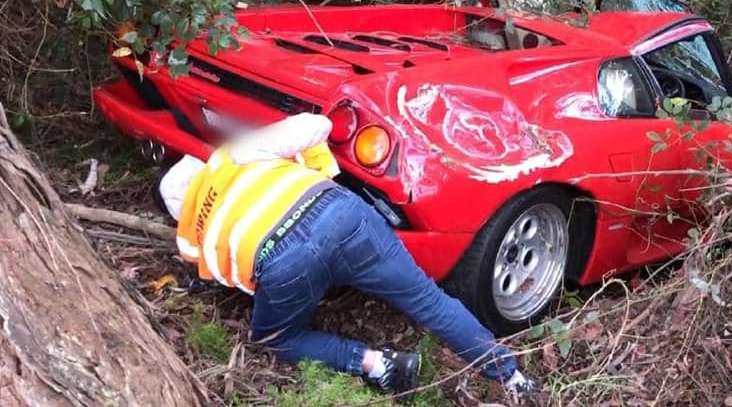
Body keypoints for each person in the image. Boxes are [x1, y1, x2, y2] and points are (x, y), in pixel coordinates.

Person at [157, 112, 535, 402]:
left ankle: (377, 363)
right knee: (428, 301)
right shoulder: (231, 156)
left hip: (285, 261)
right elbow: (314, 125)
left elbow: (238, 280)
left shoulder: (191, 234)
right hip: (340, 213)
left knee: (276, 338)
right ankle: (513, 379)